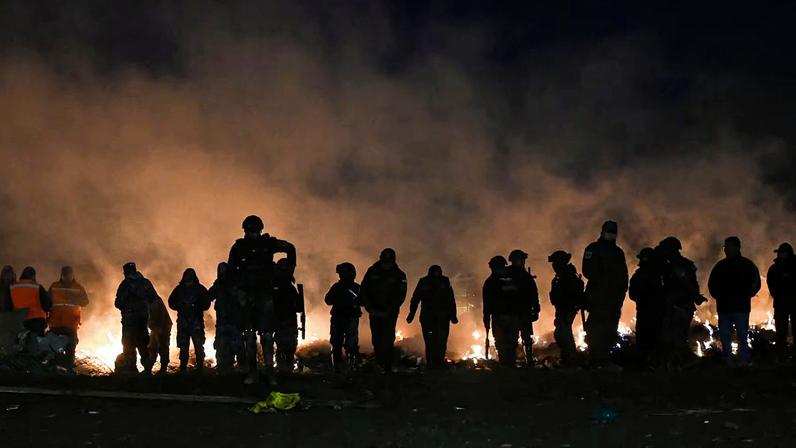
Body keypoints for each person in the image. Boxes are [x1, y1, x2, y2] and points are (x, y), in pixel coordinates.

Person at [227, 214, 296, 385]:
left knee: (266, 335)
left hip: (265, 293)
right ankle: (252, 372)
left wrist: (288, 271)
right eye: (251, 230)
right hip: (247, 293)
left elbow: (290, 248)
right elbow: (230, 270)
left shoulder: (269, 243)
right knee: (249, 335)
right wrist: (237, 288)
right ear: (245, 230)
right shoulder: (239, 247)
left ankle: (269, 372)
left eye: (256, 230)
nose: (254, 233)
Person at [708, 236, 761, 366]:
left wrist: (747, 294)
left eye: (728, 247)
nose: (726, 249)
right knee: (725, 335)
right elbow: (712, 284)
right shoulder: (720, 266)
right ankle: (728, 358)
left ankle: (743, 359)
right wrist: (719, 296)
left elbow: (756, 283)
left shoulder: (747, 265)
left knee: (742, 335)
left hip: (740, 308)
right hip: (725, 307)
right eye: (725, 247)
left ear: (737, 247)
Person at [582, 220, 629, 366]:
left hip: (613, 298)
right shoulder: (593, 248)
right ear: (602, 232)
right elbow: (587, 271)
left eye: (613, 232)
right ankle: (594, 357)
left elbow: (623, 275)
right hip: (597, 296)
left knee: (610, 329)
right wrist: (603, 279)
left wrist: (621, 293)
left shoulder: (618, 252)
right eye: (609, 231)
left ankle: (605, 357)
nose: (611, 234)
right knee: (595, 328)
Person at [656, 237, 705, 367]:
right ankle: (677, 363)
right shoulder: (671, 265)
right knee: (673, 337)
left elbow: (688, 284)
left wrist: (695, 297)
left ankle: (682, 362)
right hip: (677, 306)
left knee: (675, 338)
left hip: (680, 306)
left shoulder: (677, 266)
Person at [360, 248, 407, 373]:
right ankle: (379, 362)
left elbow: (401, 295)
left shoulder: (399, 275)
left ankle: (386, 365)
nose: (386, 264)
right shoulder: (372, 272)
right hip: (374, 311)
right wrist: (370, 308)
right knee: (376, 338)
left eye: (389, 261)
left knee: (388, 338)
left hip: (389, 313)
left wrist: (390, 310)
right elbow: (364, 290)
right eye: (385, 260)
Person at [407, 265, 458, 369]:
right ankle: (431, 362)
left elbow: (451, 299)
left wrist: (453, 315)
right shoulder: (423, 282)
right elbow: (415, 298)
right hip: (428, 317)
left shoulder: (445, 281)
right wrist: (411, 314)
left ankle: (439, 362)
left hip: (442, 317)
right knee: (430, 341)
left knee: (442, 341)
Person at [114, 263, 158, 373]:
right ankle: (147, 370)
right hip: (142, 319)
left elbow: (118, 303)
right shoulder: (145, 283)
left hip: (129, 321)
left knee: (129, 345)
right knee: (143, 344)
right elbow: (153, 298)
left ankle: (131, 370)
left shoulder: (125, 284)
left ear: (125, 273)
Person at [168, 268, 211, 373]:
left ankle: (199, 367)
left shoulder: (199, 289)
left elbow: (206, 304)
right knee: (184, 346)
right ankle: (183, 367)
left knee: (198, 345)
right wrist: (181, 306)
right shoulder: (180, 289)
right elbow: (171, 302)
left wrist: (196, 306)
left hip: (195, 323)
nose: (188, 280)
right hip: (184, 323)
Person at [548, 251, 585, 366]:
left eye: (555, 262)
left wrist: (570, 305)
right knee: (561, 333)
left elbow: (573, 294)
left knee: (563, 333)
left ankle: (570, 359)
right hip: (561, 309)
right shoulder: (559, 277)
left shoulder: (568, 276)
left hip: (567, 309)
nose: (554, 265)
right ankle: (567, 357)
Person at [482, 255, 520, 367]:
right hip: (507, 316)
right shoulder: (510, 280)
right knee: (508, 341)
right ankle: (509, 363)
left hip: (501, 317)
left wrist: (486, 319)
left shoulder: (490, 282)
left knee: (503, 341)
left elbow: (487, 304)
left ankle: (506, 363)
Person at [47, 266, 89, 365]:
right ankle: (56, 370)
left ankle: (68, 371)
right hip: (56, 324)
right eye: (65, 275)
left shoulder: (78, 287)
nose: (67, 277)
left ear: (72, 275)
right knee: (55, 350)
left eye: (69, 274)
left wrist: (76, 300)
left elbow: (86, 301)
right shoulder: (54, 286)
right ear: (62, 275)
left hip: (70, 325)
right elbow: (47, 302)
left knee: (70, 351)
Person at [324, 262, 361, 372]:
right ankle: (346, 367)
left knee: (341, 343)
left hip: (345, 318)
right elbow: (328, 300)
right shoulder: (355, 287)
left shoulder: (341, 287)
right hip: (343, 317)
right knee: (344, 343)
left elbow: (328, 301)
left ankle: (341, 367)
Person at [628, 247, 664, 363]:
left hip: (649, 311)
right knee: (650, 337)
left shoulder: (650, 275)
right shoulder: (657, 274)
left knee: (646, 337)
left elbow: (633, 294)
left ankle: (647, 361)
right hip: (651, 311)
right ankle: (649, 361)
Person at [507, 249, 540, 366]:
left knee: (525, 337)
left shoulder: (524, 276)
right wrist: (536, 309)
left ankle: (527, 359)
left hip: (522, 311)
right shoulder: (509, 276)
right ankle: (513, 360)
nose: (522, 262)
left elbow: (534, 294)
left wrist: (536, 309)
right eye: (520, 260)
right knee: (514, 337)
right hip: (513, 311)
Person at [210, 262, 244, 374]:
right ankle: (223, 367)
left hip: (234, 321)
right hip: (222, 322)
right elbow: (209, 296)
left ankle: (237, 367)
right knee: (221, 344)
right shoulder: (218, 284)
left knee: (235, 345)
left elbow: (242, 301)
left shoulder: (235, 284)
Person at [766, 242, 796, 362]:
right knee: (781, 333)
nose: (780, 255)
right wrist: (777, 296)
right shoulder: (774, 269)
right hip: (780, 304)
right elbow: (771, 284)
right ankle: (782, 357)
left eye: (782, 253)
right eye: (779, 253)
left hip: (794, 304)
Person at [272, 258, 302, 373]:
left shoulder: (289, 288)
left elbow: (298, 307)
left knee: (288, 347)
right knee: (284, 346)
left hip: (287, 321)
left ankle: (285, 368)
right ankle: (283, 368)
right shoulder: (280, 287)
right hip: (282, 321)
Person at [9, 266, 51, 336]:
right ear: (33, 276)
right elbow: (47, 305)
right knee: (36, 344)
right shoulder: (37, 287)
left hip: (19, 321)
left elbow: (8, 304)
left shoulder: (13, 287)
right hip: (36, 322)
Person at [147, 287, 172, 375]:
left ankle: (163, 369)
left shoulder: (154, 301)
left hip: (163, 326)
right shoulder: (150, 300)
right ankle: (149, 369)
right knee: (153, 347)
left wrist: (158, 330)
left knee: (162, 347)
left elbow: (158, 317)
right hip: (156, 327)